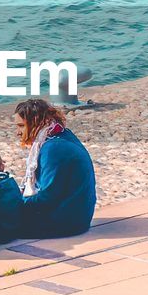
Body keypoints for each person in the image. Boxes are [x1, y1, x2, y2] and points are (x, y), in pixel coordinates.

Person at [13, 98, 96, 238]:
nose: (18, 132)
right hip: (79, 215)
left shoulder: (52, 149)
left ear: (36, 123)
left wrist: (15, 203)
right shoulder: (62, 134)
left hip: (66, 222)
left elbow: (47, 198)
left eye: (21, 126)